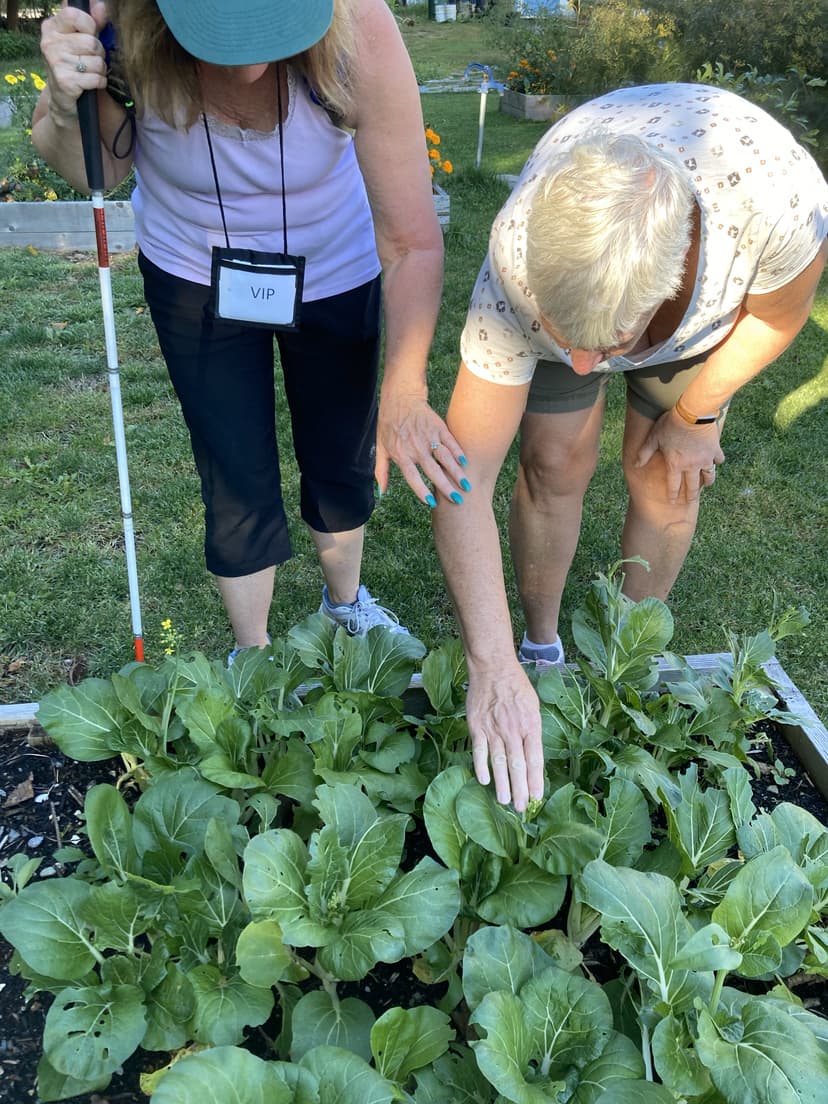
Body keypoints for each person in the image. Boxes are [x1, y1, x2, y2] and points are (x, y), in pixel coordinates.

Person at [433, 83, 828, 811]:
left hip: (701, 316)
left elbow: (778, 317)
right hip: (576, 282)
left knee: (667, 474)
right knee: (553, 459)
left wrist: (697, 415)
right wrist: (488, 665)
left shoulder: (776, 210)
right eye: (568, 340)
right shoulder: (518, 259)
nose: (590, 367)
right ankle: (541, 649)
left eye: (610, 347)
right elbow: (462, 481)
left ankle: (626, 669)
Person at [33, 0, 468, 659]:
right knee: (233, 465)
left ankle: (346, 605)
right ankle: (253, 654)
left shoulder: (360, 27)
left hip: (332, 264)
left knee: (340, 454)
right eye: (220, 34)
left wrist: (406, 382)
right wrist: (68, 102)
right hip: (192, 269)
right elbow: (91, 166)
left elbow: (410, 241)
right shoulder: (115, 22)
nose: (247, 61)